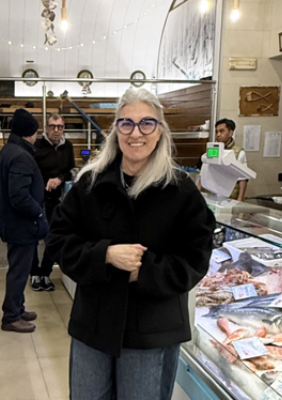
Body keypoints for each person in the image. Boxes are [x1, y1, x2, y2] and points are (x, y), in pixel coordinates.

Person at [47, 88, 215, 400]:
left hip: (152, 329)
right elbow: (58, 240)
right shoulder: (90, 184)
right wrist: (105, 255)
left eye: (146, 123)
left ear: (160, 131)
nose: (135, 133)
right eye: (126, 124)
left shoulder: (181, 191)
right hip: (93, 324)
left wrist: (144, 271)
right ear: (115, 131)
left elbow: (196, 258)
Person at [0, 108, 49, 333]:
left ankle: (18, 307)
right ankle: (11, 317)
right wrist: (38, 213)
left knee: (20, 268)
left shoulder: (8, 150)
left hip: (14, 224)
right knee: (19, 270)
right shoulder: (21, 156)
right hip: (22, 225)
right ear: (30, 133)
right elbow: (19, 196)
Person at [31, 113, 74, 292]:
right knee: (33, 237)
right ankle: (34, 274)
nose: (56, 130)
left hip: (55, 200)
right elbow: (30, 170)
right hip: (35, 198)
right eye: (52, 126)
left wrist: (59, 178)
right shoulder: (36, 146)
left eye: (60, 127)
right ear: (46, 128)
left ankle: (45, 274)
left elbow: (70, 170)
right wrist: (44, 181)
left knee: (53, 238)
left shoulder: (68, 147)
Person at [212, 118, 249, 201]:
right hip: (214, 195)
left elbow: (243, 178)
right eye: (216, 132)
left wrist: (240, 200)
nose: (218, 134)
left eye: (221, 131)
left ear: (230, 133)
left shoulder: (239, 152)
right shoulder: (214, 149)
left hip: (230, 197)